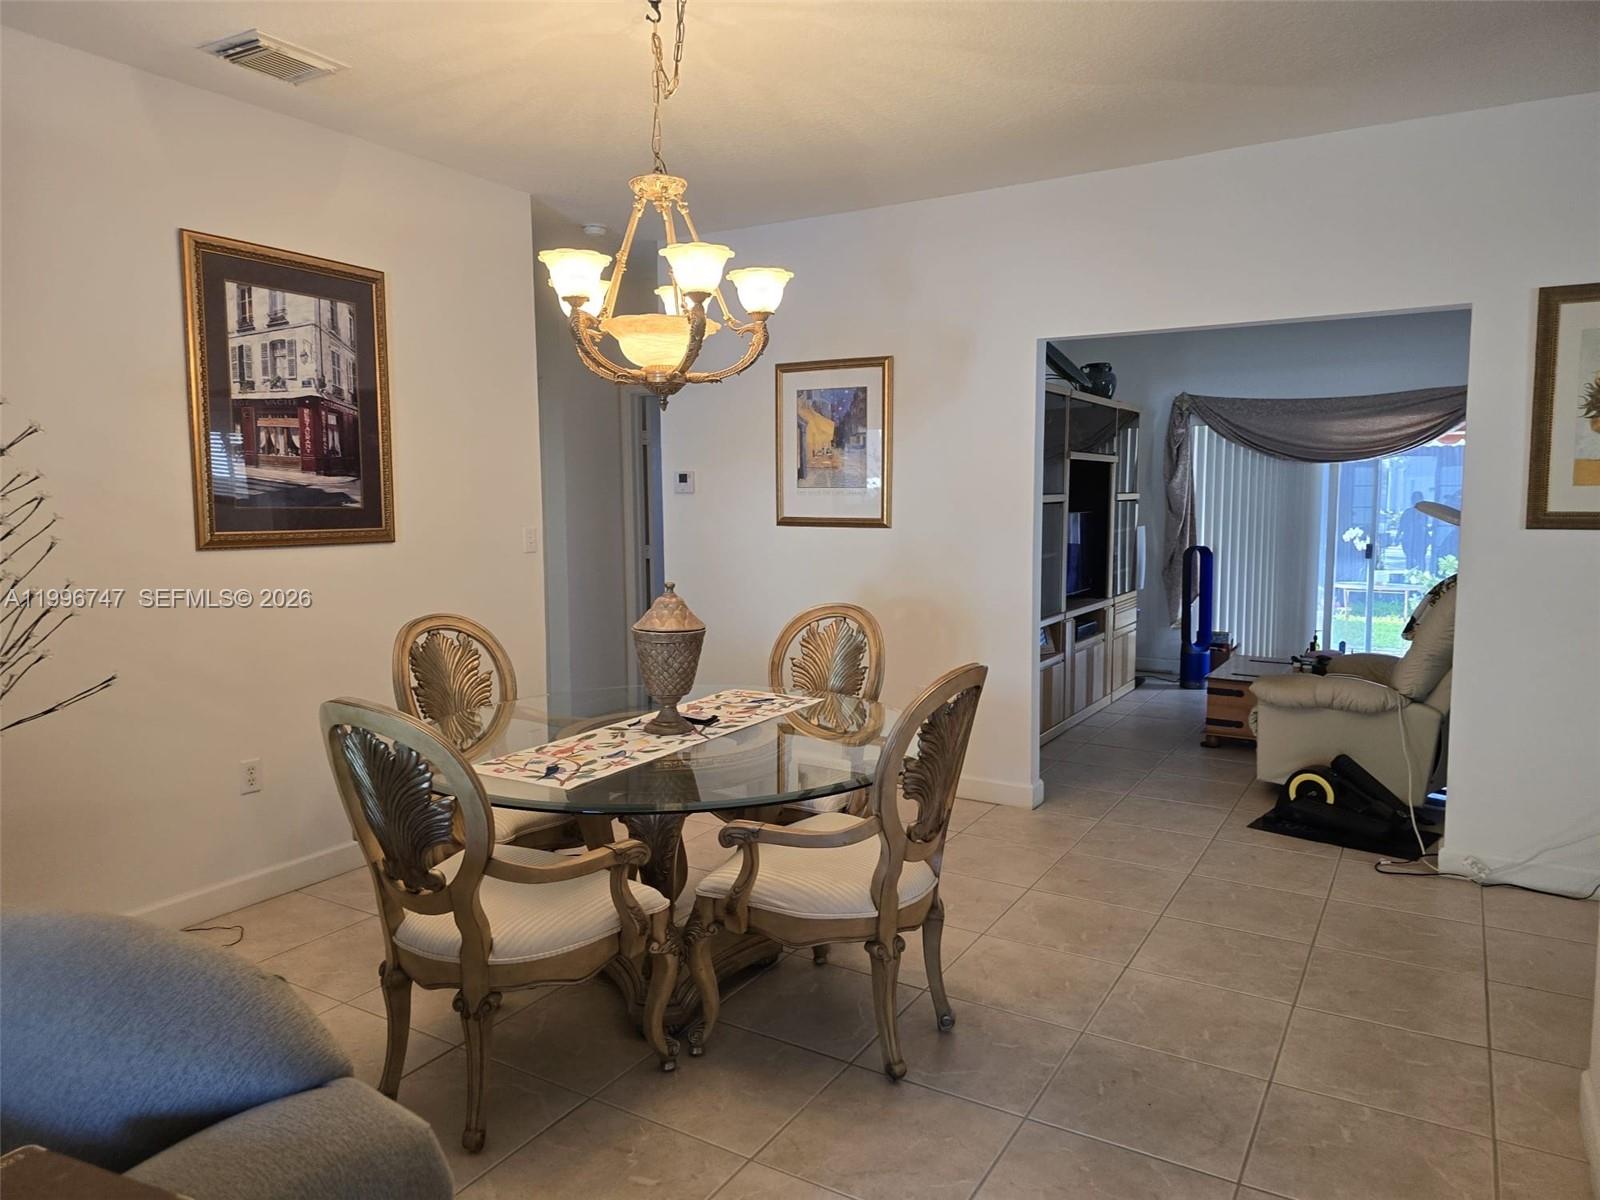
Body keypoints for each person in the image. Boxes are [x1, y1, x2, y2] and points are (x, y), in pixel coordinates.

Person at [1397, 490, 1430, 571]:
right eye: (1414, 499)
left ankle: (1421, 574)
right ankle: (1410, 573)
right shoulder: (1407, 512)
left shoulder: (1425, 513)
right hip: (1409, 539)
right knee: (1410, 558)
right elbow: (1401, 526)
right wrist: (1397, 536)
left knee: (1420, 558)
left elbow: (1425, 526)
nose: (1416, 501)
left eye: (1418, 499)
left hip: (1421, 540)